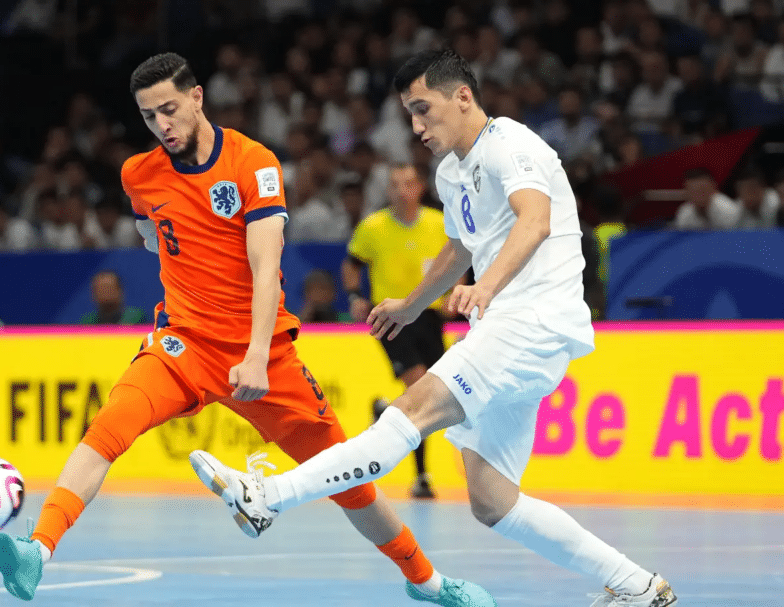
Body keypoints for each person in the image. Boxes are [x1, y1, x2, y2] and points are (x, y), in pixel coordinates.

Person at [0, 52, 493, 607]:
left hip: (264, 357)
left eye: (171, 110)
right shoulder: (138, 173)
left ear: (198, 96)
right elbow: (151, 233)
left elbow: (264, 265)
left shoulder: (253, 163)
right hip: (181, 344)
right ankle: (39, 549)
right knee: (108, 430)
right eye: (150, 116)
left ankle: (426, 581)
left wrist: (254, 356)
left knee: (350, 481)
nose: (163, 126)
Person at [191, 50, 678, 607]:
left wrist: (487, 286)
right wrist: (412, 303)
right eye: (409, 115)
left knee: (408, 412)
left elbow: (535, 220)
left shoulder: (511, 145)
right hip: (513, 331)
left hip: (530, 320)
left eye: (424, 110)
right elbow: (459, 245)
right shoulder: (450, 170)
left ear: (462, 97)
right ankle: (640, 587)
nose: (417, 127)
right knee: (494, 502)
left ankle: (269, 495)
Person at [343, 163, 455, 500]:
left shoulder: (438, 223)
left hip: (430, 317)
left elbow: (459, 259)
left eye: (407, 183)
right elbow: (352, 263)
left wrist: (453, 293)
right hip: (391, 318)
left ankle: (387, 410)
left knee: (435, 396)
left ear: (420, 187)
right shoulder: (373, 226)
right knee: (421, 387)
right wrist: (355, 297)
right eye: (394, 184)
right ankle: (421, 476)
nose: (400, 190)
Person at [80, 270, 146, 325]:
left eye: (109, 288)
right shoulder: (87, 323)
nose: (105, 293)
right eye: (101, 289)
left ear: (120, 290)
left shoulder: (136, 318)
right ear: (93, 294)